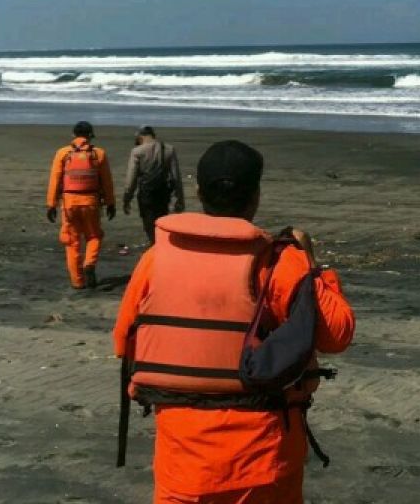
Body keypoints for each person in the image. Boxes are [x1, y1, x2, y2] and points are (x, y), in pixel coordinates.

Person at [113, 140, 355, 504]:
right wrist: (311, 264)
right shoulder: (279, 262)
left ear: (198, 192)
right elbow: (337, 334)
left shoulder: (155, 260)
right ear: (255, 196)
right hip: (264, 463)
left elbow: (125, 342)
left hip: (183, 465)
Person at [46, 120, 116, 290]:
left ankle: (78, 282)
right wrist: (110, 203)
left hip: (70, 203)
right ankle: (89, 263)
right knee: (94, 236)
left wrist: (51, 204)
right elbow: (107, 181)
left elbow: (55, 179)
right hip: (91, 202)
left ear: (73, 135)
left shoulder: (63, 153)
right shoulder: (98, 154)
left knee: (72, 241)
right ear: (91, 135)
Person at [122, 126, 184, 245]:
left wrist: (127, 199)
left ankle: (154, 246)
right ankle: (160, 244)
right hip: (163, 193)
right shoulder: (169, 149)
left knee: (149, 224)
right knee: (161, 222)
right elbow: (176, 177)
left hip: (146, 193)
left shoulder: (137, 151)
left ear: (141, 137)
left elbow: (131, 179)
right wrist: (180, 199)